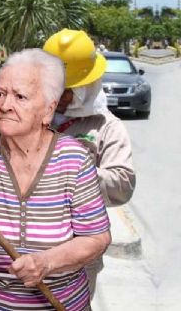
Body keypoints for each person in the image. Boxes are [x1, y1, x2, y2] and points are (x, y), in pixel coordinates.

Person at [0, 49, 111, 310]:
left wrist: (47, 262)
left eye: (20, 96)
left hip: (60, 302)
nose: (5, 105)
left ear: (48, 110)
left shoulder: (74, 159)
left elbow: (97, 239)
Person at [44, 28, 136, 296]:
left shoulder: (107, 128)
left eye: (66, 89)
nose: (58, 96)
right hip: (23, 250)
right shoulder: (30, 116)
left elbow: (123, 185)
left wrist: (75, 171)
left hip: (76, 260)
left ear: (86, 87)